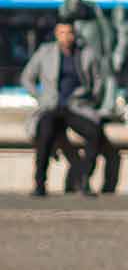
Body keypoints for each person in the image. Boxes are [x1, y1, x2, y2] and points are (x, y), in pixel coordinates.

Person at [19, 18, 105, 197]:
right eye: (62, 33)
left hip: (76, 107)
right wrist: (40, 97)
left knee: (94, 132)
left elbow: (98, 80)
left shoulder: (86, 53)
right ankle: (40, 183)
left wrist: (91, 99)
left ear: (74, 35)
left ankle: (84, 180)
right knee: (44, 134)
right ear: (57, 35)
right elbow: (26, 77)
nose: (67, 37)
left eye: (70, 33)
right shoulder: (45, 52)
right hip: (51, 107)